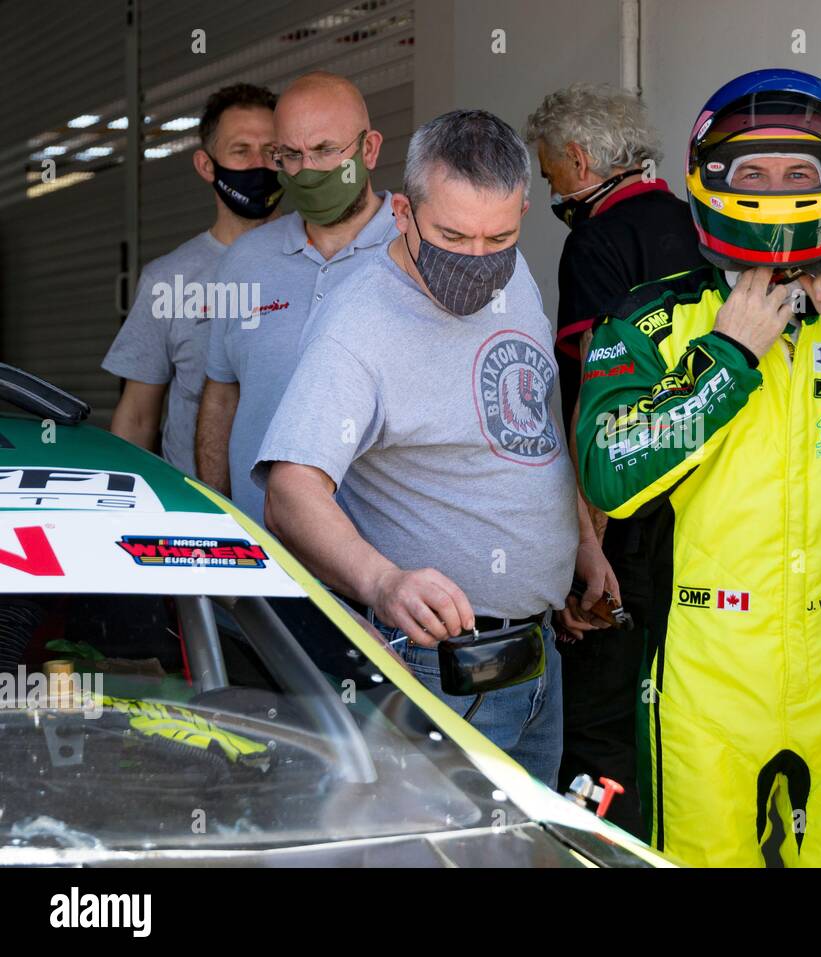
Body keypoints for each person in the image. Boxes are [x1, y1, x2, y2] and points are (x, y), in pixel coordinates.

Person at [574, 69, 821, 866]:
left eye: (798, 173)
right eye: (751, 173)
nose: (775, 191)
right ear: (709, 183)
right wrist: (726, 358)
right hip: (708, 669)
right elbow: (611, 472)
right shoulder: (650, 319)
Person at [253, 110, 605, 786]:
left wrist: (578, 541)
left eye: (498, 235)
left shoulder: (514, 273)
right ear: (403, 213)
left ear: (523, 211)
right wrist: (383, 581)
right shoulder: (359, 324)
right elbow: (290, 491)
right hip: (437, 669)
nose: (477, 258)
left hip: (538, 655)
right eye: (452, 235)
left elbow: (528, 417)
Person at [525, 82, 706, 837]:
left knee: (599, 716)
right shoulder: (703, 227)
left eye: (546, 171)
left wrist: (586, 542)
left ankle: (596, 845)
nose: (548, 189)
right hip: (705, 516)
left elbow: (594, 404)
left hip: (628, 518)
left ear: (577, 157)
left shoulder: (595, 243)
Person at [195, 71, 397, 517]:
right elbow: (222, 395)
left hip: (391, 568)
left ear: (369, 148)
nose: (307, 171)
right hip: (266, 555)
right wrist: (217, 517)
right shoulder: (244, 261)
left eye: (325, 150)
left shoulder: (422, 249)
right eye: (290, 155)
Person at [103, 83, 280, 474]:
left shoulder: (314, 260)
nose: (259, 165)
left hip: (296, 514)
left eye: (271, 152)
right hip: (197, 516)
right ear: (206, 165)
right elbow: (136, 419)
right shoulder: (167, 280)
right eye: (240, 150)